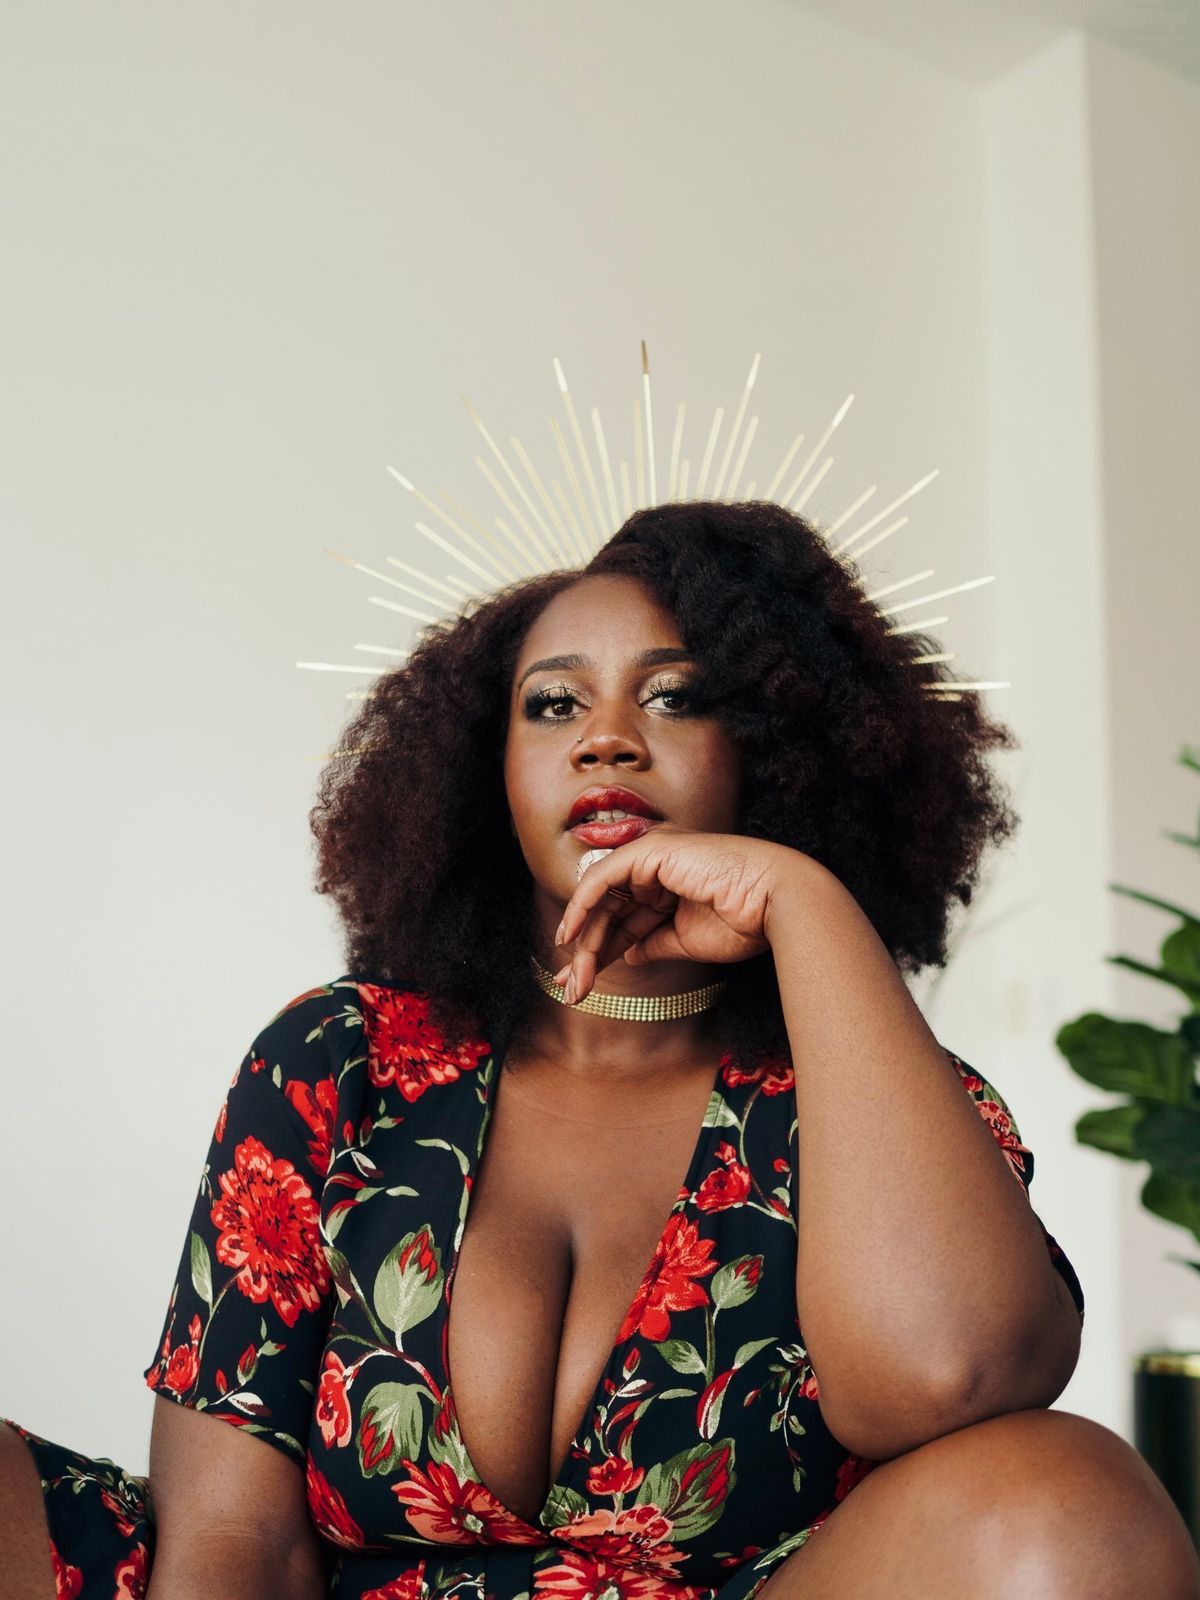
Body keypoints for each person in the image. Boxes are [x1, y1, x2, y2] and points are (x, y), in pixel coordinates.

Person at [3, 501, 1197, 1600]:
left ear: (779, 751)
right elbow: (231, 1534)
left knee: (1075, 1505)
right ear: (488, 770)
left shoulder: (884, 1106)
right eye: (554, 704)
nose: (608, 740)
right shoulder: (340, 1059)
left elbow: (948, 1375)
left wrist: (804, 904)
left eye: (675, 697)